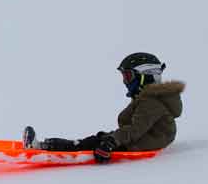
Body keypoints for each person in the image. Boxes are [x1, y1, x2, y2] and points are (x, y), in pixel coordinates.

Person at [23, 52, 184, 164]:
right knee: (97, 138)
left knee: (94, 142)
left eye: (128, 76)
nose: (125, 81)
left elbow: (136, 129)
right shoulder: (149, 100)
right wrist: (112, 139)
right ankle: (48, 145)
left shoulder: (151, 102)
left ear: (146, 76)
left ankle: (44, 148)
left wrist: (111, 142)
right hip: (140, 141)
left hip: (139, 143)